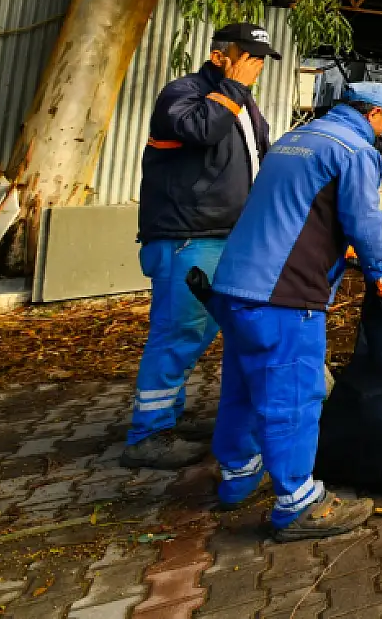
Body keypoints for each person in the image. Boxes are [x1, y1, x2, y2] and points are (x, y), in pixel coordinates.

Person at [205, 82, 382, 540]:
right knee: (294, 394)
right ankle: (297, 502)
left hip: (235, 284)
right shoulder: (355, 149)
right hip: (285, 294)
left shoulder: (293, 139)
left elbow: (295, 210)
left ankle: (237, 475)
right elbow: (364, 219)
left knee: (242, 384)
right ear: (374, 115)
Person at [121, 23, 279, 469]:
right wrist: (234, 88)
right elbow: (201, 131)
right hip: (186, 236)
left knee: (202, 329)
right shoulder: (183, 94)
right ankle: (147, 434)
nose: (256, 66)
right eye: (247, 56)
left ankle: (165, 417)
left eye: (261, 59)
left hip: (224, 235)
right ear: (219, 56)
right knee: (178, 331)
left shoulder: (241, 102)